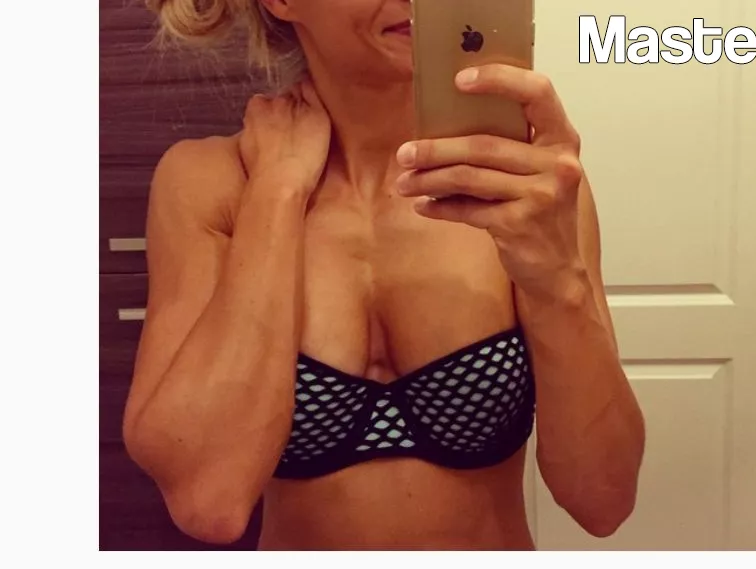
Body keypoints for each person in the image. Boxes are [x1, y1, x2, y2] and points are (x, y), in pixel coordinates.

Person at [122, 0, 646, 551]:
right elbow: (207, 500)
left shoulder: (523, 189)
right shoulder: (211, 184)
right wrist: (278, 192)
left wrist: (558, 281)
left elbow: (604, 500)